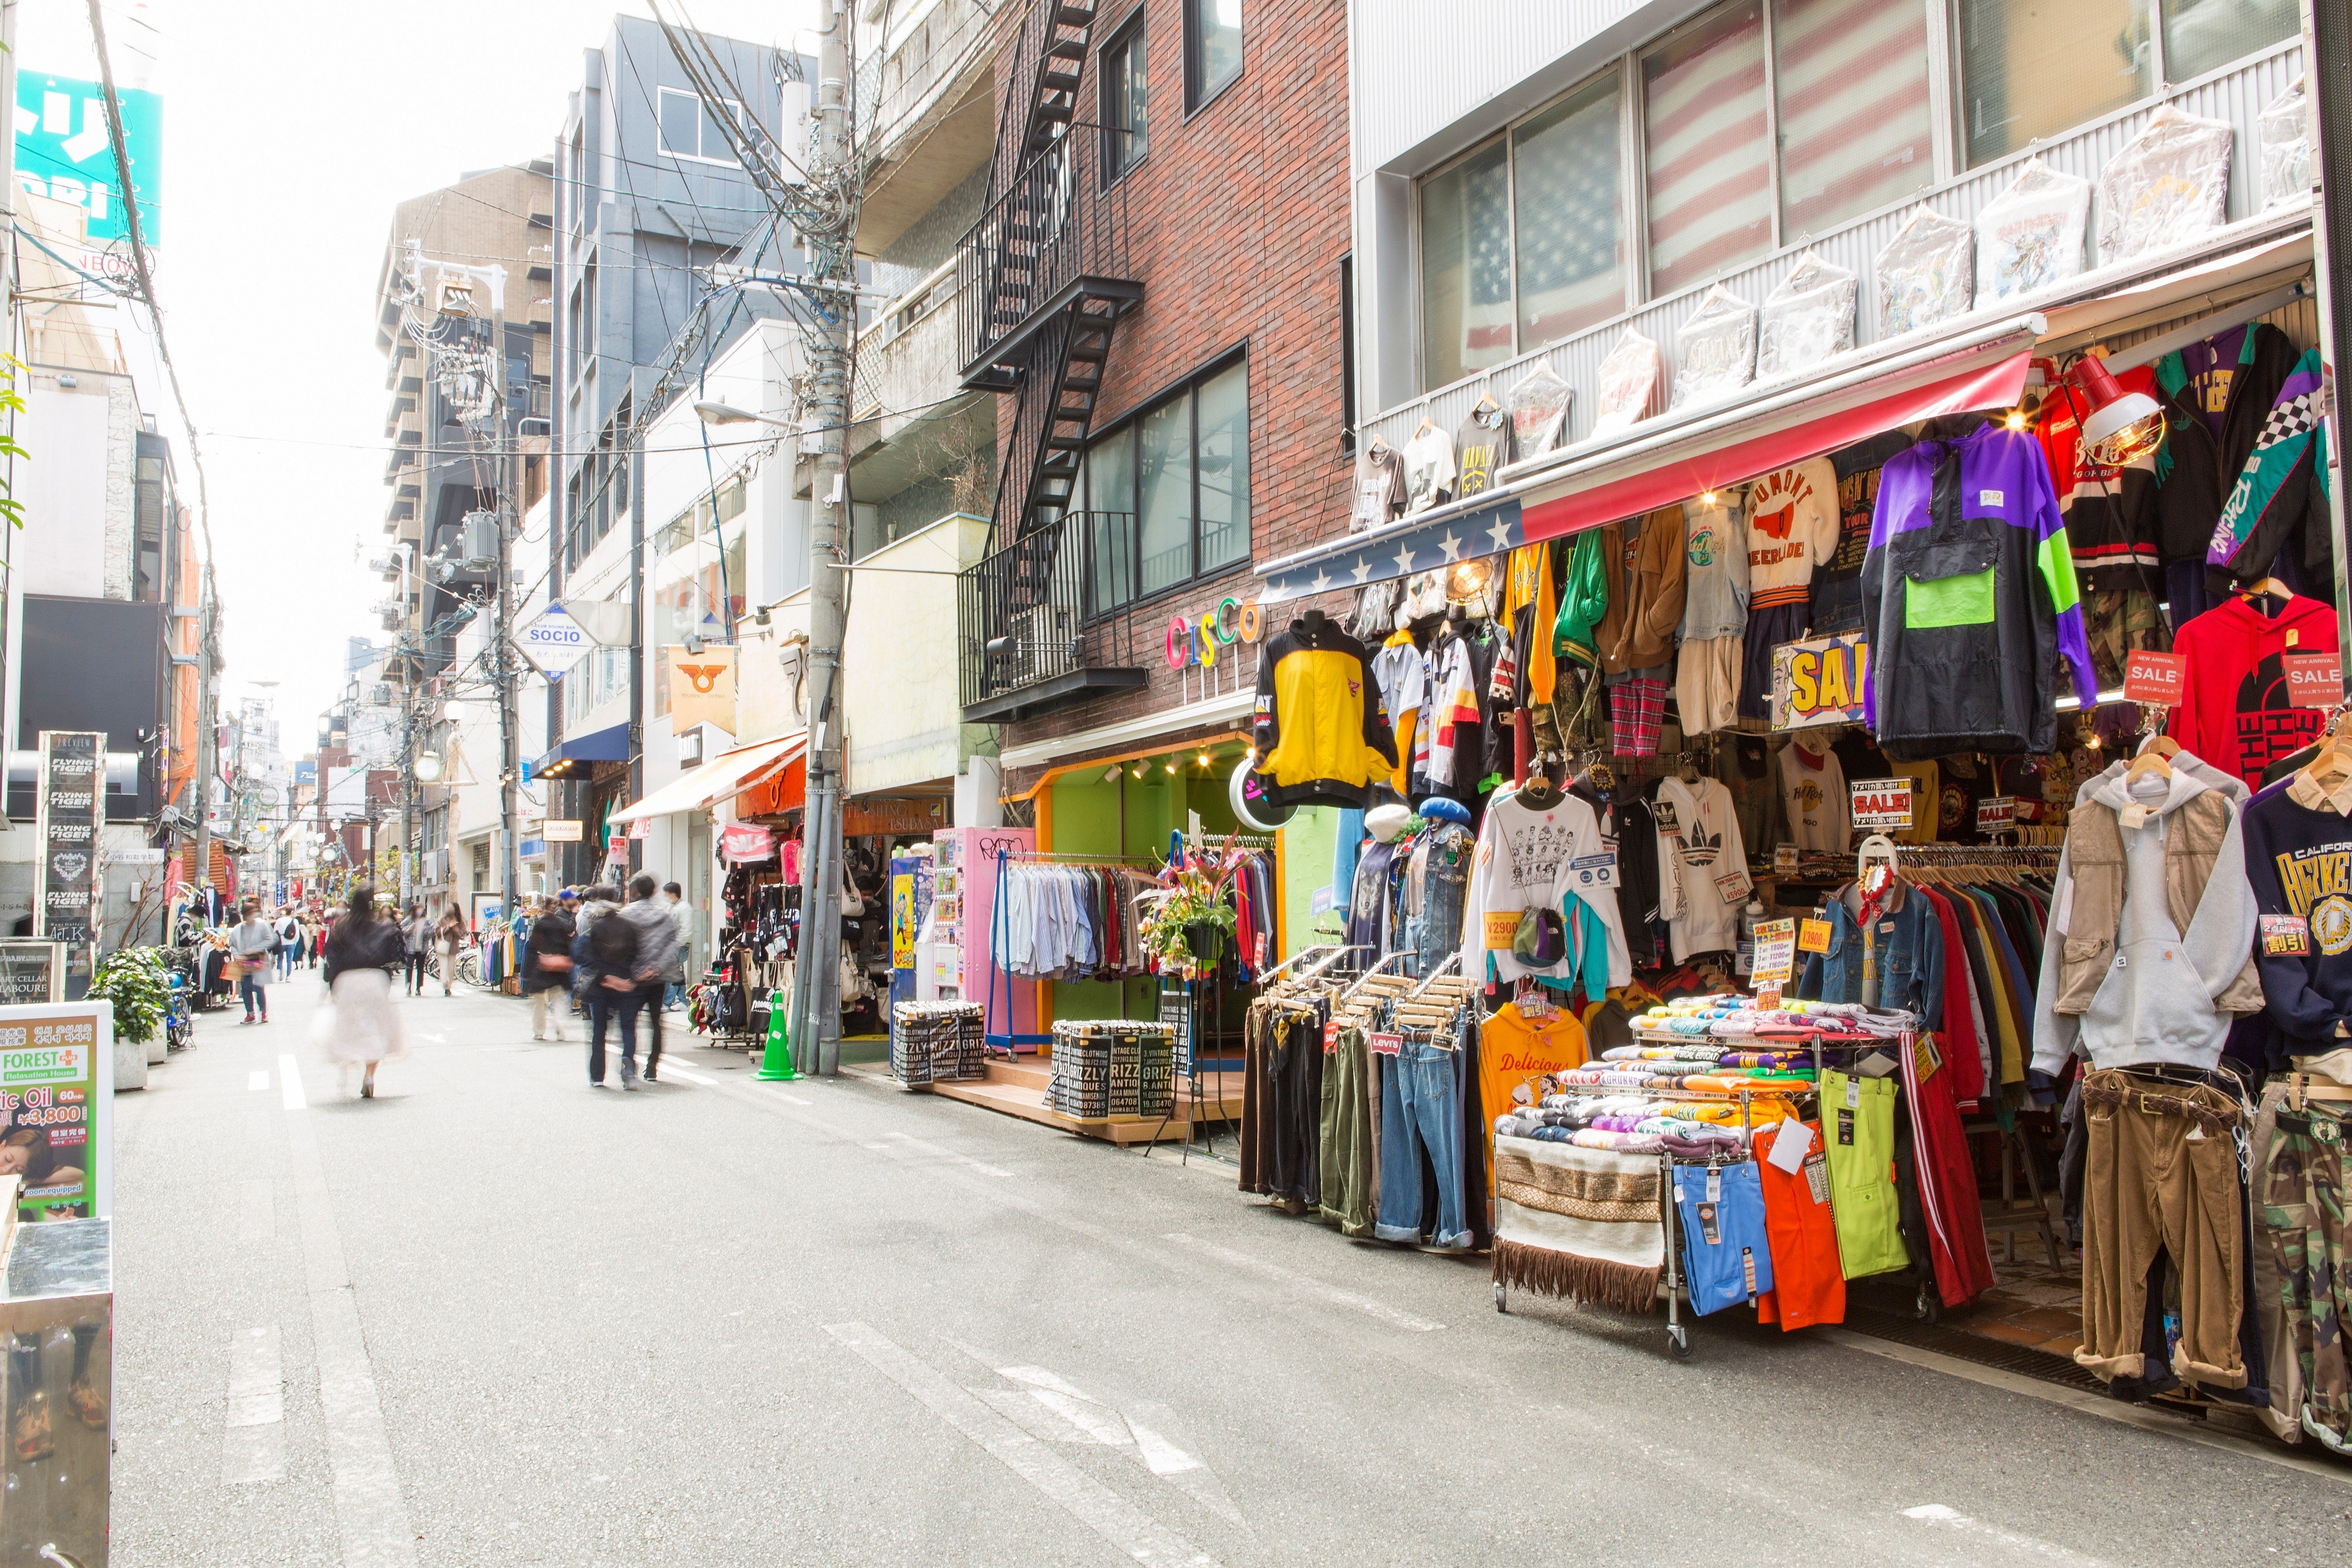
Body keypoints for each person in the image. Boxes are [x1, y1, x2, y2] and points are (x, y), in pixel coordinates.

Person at [319, 886, 409, 1099]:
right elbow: (396, 957)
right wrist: (386, 980)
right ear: (372, 904)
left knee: (348, 1028)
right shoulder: (381, 928)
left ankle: (346, 1068)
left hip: (347, 981)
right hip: (375, 981)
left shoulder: (341, 928)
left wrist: (332, 986)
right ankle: (369, 1075)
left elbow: (330, 958)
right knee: (375, 1029)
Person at [576, 885, 642, 1088]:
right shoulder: (629, 926)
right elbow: (637, 954)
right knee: (628, 1029)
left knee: (599, 1031)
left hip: (601, 986)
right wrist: (627, 977)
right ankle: (628, 1069)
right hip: (625, 984)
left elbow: (580, 953)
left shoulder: (595, 927)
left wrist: (604, 975)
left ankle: (597, 1076)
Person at [618, 875, 682, 1081]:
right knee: (656, 1023)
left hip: (634, 979)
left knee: (629, 1022)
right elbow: (672, 945)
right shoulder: (663, 916)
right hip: (657, 978)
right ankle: (652, 1067)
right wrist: (656, 968)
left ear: (635, 891)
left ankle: (629, 1064)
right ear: (654, 892)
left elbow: (623, 948)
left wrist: (636, 972)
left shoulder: (625, 915)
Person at [523, 892, 576, 1042]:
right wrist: (568, 962)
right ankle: (561, 1030)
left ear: (544, 908)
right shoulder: (561, 925)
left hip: (542, 967)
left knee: (538, 1001)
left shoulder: (540, 925)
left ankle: (539, 1032)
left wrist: (526, 973)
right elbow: (569, 946)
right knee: (559, 999)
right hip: (559, 968)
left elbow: (532, 948)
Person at [229, 900, 278, 1025]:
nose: (253, 915)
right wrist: (237, 955)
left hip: (258, 961)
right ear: (245, 915)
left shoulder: (262, 925)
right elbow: (233, 945)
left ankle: (263, 1012)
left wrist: (254, 949)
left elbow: (271, 939)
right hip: (244, 963)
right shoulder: (237, 929)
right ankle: (250, 1014)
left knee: (259, 987)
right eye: (251, 913)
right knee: (246, 988)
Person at [659, 882, 688, 1012]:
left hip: (679, 946)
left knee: (673, 973)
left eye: (666, 893)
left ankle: (667, 1003)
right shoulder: (675, 907)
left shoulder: (684, 908)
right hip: (675, 945)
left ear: (672, 894)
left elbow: (686, 930)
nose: (664, 896)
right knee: (677, 972)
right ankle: (683, 1001)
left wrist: (676, 945)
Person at [434, 907, 465, 997]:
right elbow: (437, 932)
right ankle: (445, 985)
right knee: (443, 968)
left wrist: (455, 927)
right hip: (443, 948)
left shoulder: (460, 921)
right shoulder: (442, 920)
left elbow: (462, 934)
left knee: (450, 969)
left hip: (453, 948)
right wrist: (448, 927)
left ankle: (448, 987)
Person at [401, 904, 431, 997]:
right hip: (410, 948)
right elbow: (401, 931)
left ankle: (418, 988)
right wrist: (410, 929)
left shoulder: (426, 921)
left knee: (420, 968)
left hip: (422, 948)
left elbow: (432, 932)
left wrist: (425, 930)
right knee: (409, 967)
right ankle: (408, 986)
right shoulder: (408, 920)